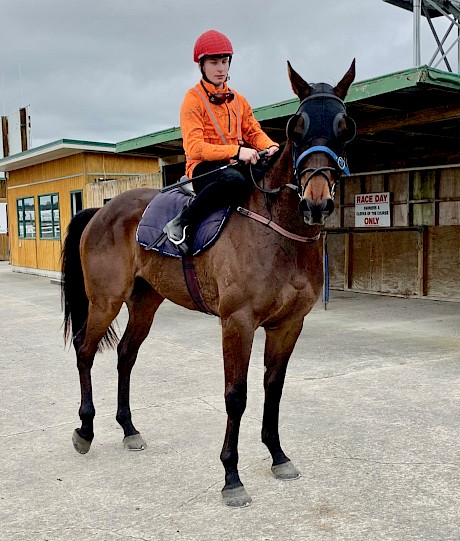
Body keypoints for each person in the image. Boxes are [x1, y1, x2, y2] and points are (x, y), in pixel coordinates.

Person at [163, 29, 279, 253]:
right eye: (214, 63)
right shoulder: (192, 100)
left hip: (232, 163)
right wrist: (237, 151)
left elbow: (253, 132)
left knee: (268, 169)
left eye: (224, 62)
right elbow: (194, 147)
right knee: (234, 180)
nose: (221, 68)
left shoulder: (239, 100)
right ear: (201, 66)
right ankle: (181, 223)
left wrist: (271, 146)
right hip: (203, 169)